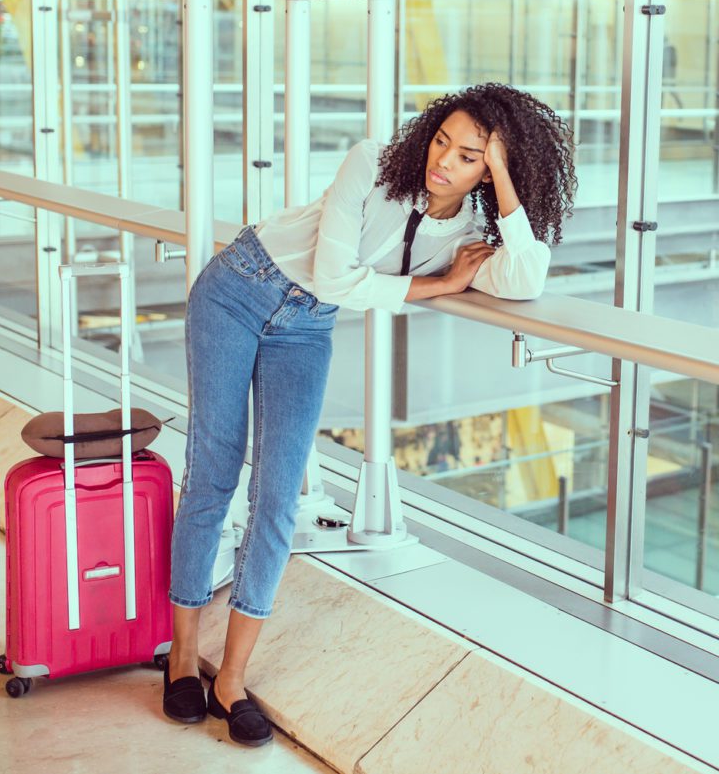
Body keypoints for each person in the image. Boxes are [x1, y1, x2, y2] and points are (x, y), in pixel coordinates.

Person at [160, 83, 577, 745]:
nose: (444, 161)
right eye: (444, 139)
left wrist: (503, 173)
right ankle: (181, 657)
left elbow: (526, 278)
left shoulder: (473, 230)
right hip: (239, 287)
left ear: (489, 170)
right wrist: (437, 285)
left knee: (276, 494)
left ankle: (232, 678)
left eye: (470, 156)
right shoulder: (371, 164)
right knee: (213, 472)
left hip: (305, 328)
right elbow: (333, 276)